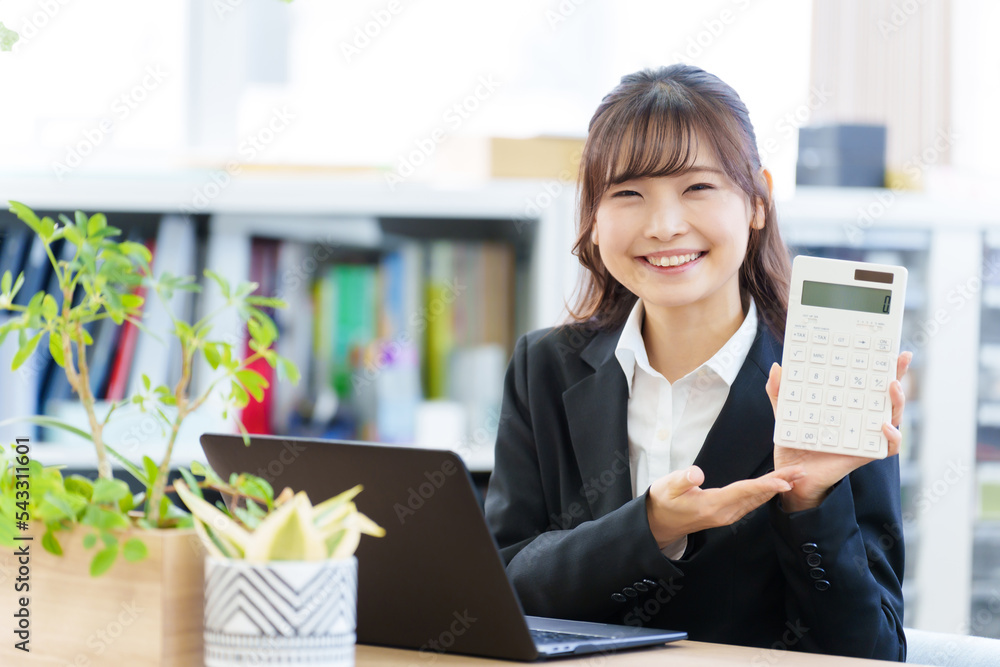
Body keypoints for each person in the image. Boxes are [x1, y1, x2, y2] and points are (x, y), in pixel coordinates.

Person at [483, 64, 912, 662]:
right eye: (628, 194)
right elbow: (498, 591)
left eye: (697, 188)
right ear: (593, 217)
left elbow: (873, 651)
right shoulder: (546, 366)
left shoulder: (825, 377)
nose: (663, 226)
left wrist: (811, 504)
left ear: (757, 200)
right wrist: (649, 528)